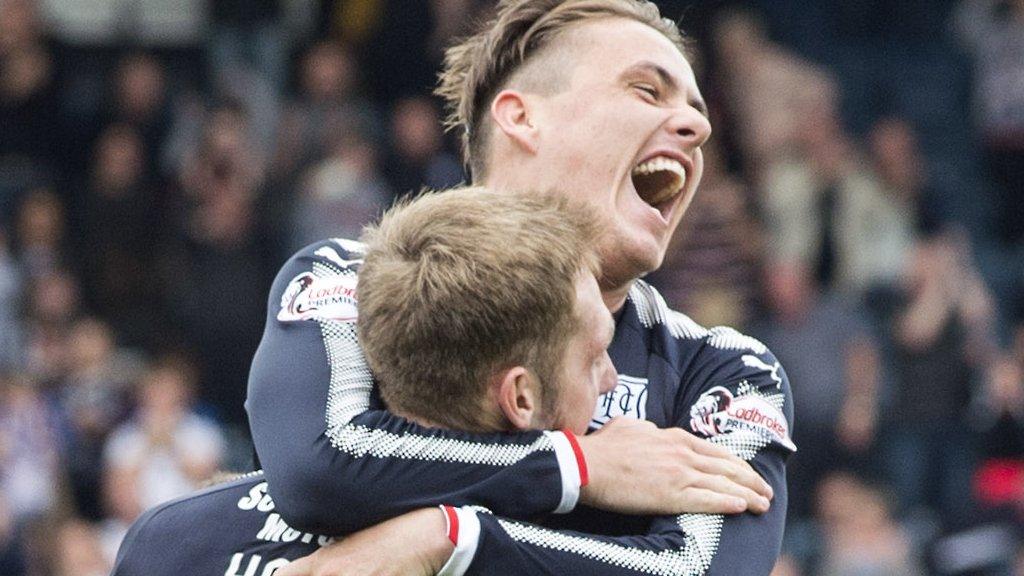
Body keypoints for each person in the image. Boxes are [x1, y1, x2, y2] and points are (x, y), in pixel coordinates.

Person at [247, 1, 795, 574]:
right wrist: (581, 469)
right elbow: (318, 467)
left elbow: (700, 570)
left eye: (696, 108)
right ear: (522, 118)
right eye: (646, 91)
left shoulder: (727, 373)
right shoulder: (351, 280)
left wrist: (449, 537)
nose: (699, 126)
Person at [116, 187, 616, 574]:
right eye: (594, 358)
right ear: (520, 397)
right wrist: (577, 467)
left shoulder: (171, 536)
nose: (613, 379)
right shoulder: (564, 553)